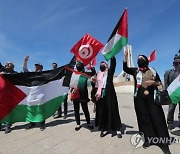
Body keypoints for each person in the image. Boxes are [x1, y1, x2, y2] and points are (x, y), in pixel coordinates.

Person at [123, 51, 171, 154]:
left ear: (146, 61)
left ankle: (164, 144)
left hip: (152, 99)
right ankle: (148, 139)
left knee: (157, 118)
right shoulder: (136, 71)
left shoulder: (153, 71)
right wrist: (125, 58)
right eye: (138, 58)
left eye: (141, 58)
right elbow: (125, 69)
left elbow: (159, 83)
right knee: (144, 119)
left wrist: (153, 82)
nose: (139, 59)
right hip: (139, 100)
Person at [93, 57, 122, 138]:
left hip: (110, 93)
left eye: (103, 64)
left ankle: (117, 129)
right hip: (101, 94)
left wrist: (112, 55)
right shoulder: (98, 74)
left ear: (106, 66)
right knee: (103, 111)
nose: (102, 65)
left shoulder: (109, 72)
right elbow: (96, 85)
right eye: (101, 64)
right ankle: (105, 128)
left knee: (113, 109)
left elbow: (114, 64)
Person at [71, 61, 95, 131]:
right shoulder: (73, 74)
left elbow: (93, 73)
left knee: (85, 110)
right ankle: (78, 124)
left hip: (83, 96)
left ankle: (88, 123)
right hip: (75, 95)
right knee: (76, 110)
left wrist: (92, 67)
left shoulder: (84, 74)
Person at [22, 55, 45, 131]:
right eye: (36, 66)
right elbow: (25, 69)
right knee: (31, 108)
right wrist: (25, 61)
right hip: (32, 93)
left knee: (40, 108)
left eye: (38, 66)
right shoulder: (32, 74)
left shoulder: (45, 75)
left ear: (41, 67)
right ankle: (32, 123)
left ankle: (42, 123)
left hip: (40, 94)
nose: (36, 67)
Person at [0, 62, 18, 134]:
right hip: (1, 94)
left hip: (9, 95)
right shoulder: (2, 70)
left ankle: (7, 125)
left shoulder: (15, 73)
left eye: (9, 64)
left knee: (8, 109)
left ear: (12, 66)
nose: (7, 64)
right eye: (6, 63)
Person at [164, 53, 180, 130]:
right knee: (171, 110)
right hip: (172, 94)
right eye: (176, 63)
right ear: (173, 64)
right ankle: (170, 123)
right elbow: (166, 83)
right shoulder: (168, 72)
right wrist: (166, 93)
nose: (177, 64)